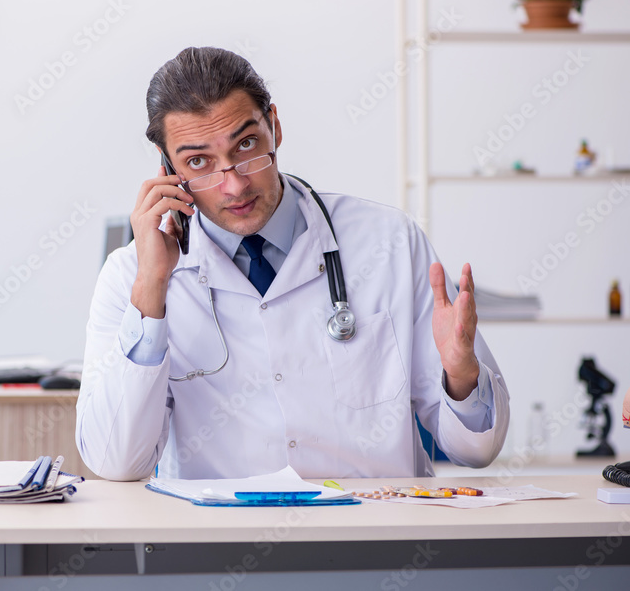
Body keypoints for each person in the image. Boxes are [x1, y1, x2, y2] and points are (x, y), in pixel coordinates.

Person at [76, 47, 509, 481]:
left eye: (246, 145)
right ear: (168, 167)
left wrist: (462, 375)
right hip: (217, 525)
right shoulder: (131, 278)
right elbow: (117, 463)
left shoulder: (389, 242)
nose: (234, 184)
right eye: (199, 162)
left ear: (274, 126)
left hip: (375, 520)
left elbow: (477, 450)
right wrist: (151, 287)